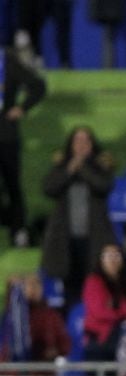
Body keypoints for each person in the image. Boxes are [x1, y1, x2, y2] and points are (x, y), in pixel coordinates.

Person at [41, 126, 118, 306]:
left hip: (94, 239)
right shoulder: (63, 166)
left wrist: (82, 168)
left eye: (86, 141)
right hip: (66, 241)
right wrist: (69, 170)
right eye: (77, 141)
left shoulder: (100, 166)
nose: (81, 145)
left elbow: (103, 186)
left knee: (95, 285)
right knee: (70, 289)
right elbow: (48, 188)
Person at [0, 45, 46, 247]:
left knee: (12, 185)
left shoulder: (6, 60)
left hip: (6, 134)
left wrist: (22, 108)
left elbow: (38, 85)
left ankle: (18, 232)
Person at [81, 244, 126, 362]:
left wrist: (115, 309)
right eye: (109, 256)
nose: (113, 260)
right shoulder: (93, 282)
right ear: (101, 259)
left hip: (124, 340)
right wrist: (122, 312)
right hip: (99, 341)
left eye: (116, 256)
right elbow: (99, 312)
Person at [23, 272, 71, 362]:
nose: (34, 289)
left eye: (37, 284)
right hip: (18, 370)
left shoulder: (51, 315)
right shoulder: (14, 316)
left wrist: (56, 351)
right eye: (29, 284)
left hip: (43, 370)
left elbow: (65, 344)